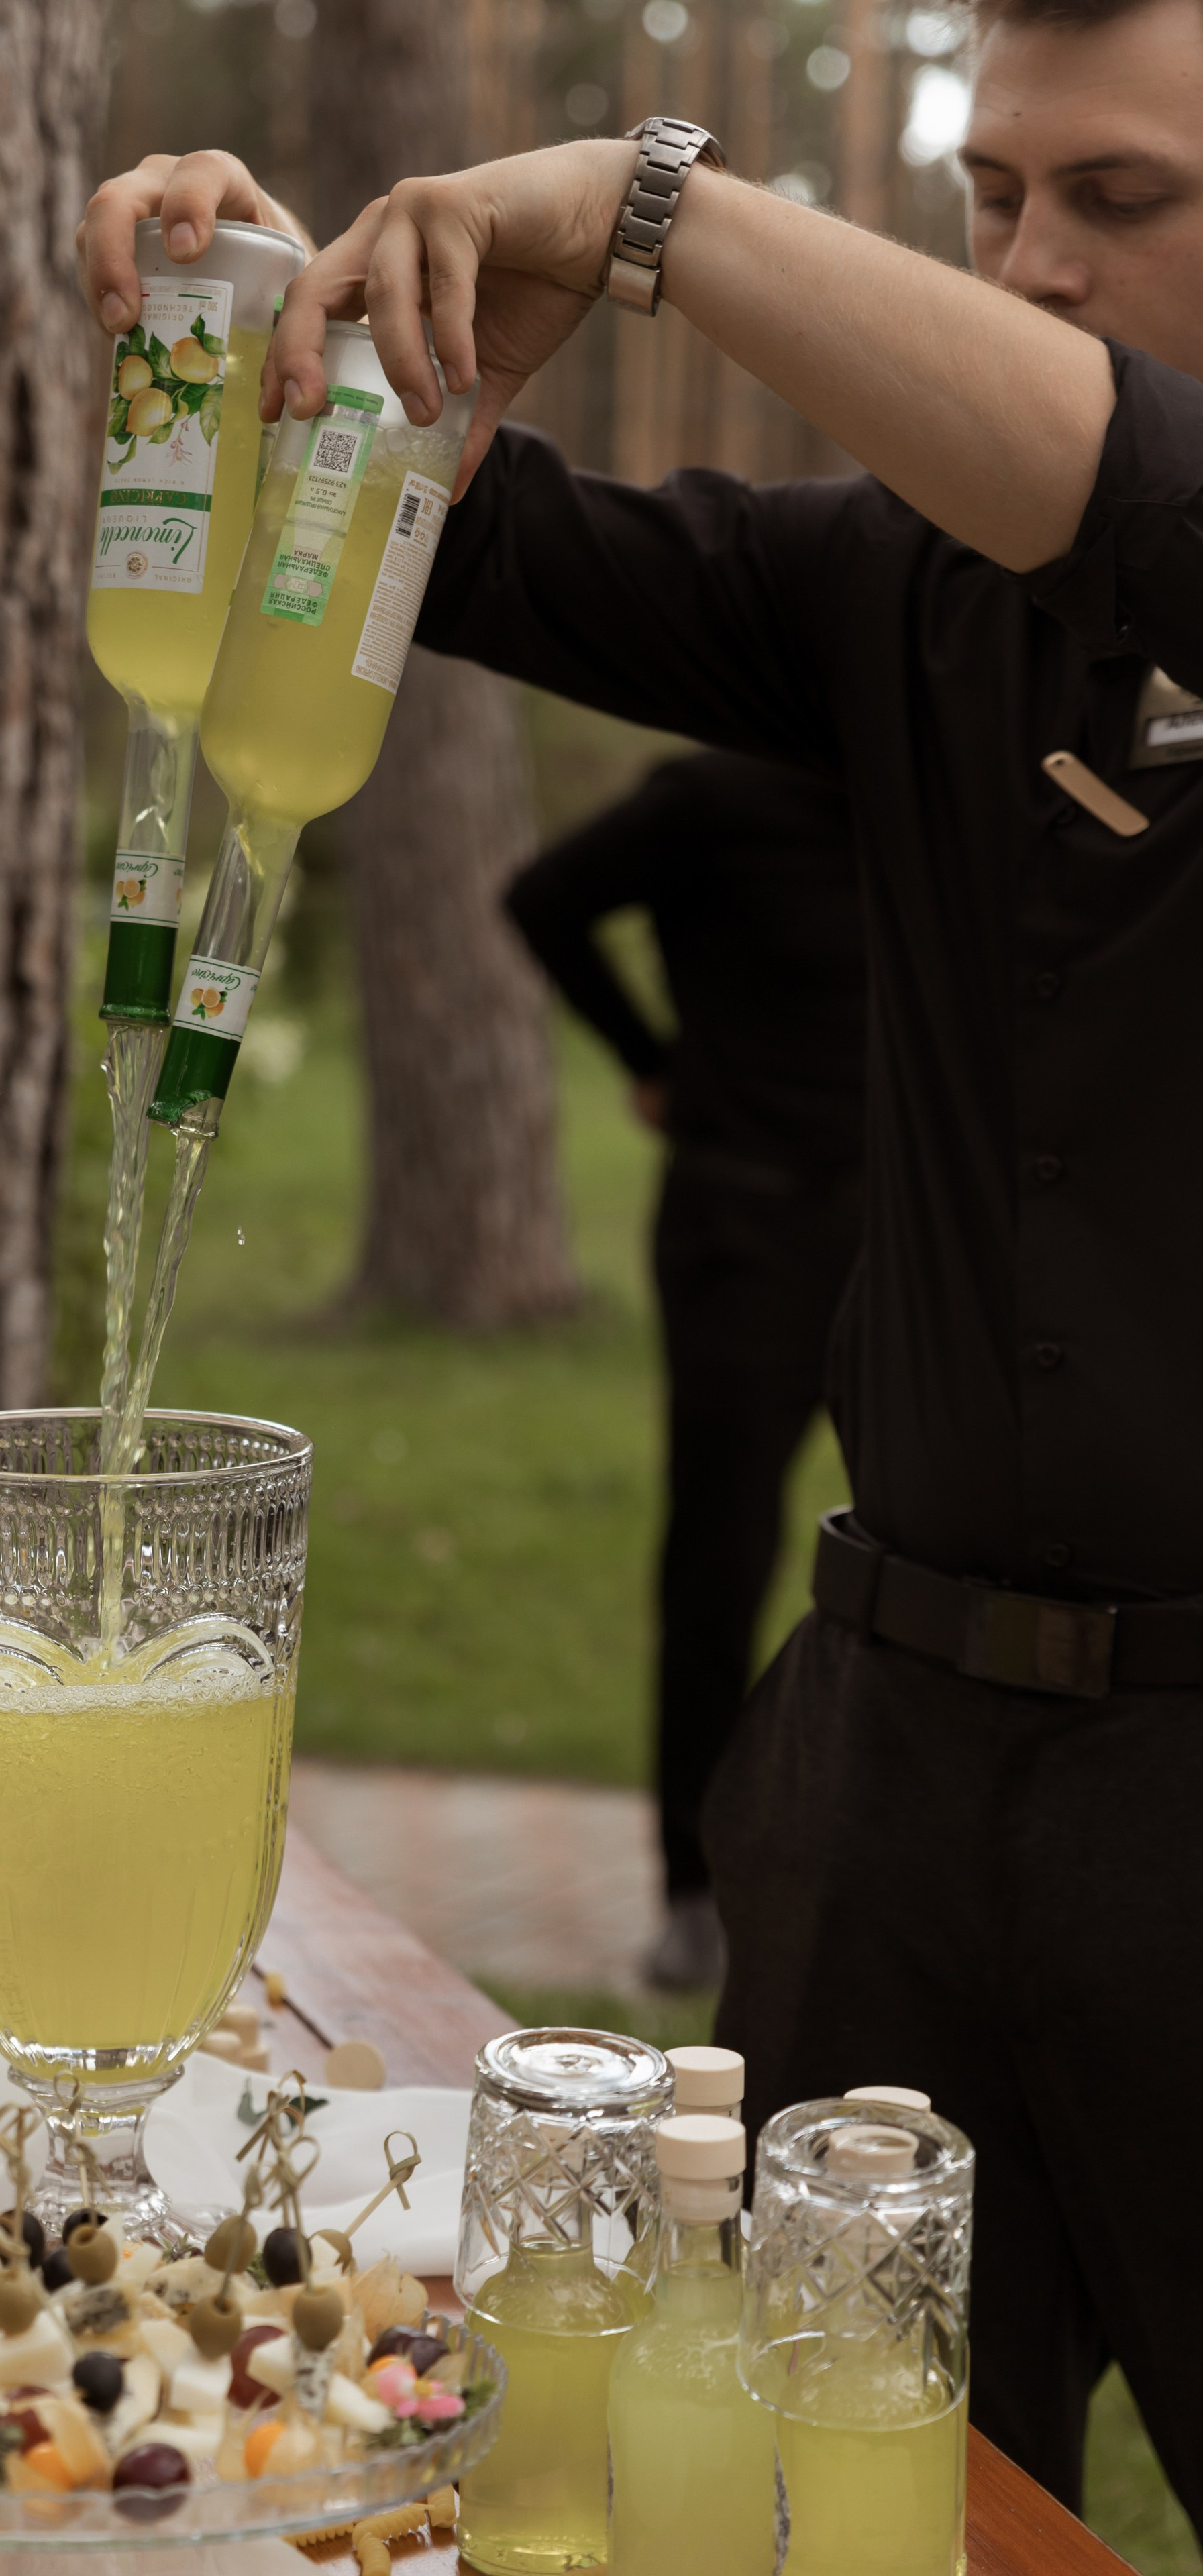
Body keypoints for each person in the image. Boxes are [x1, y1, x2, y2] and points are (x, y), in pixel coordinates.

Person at [78, 0, 1203, 2520]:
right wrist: (259, 320)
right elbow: (477, 535)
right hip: (890, 1793)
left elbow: (1150, 495)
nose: (1029, 263)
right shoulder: (902, 588)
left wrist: (652, 200)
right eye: (993, 197)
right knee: (783, 2523)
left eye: (1116, 202)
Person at [505, 755, 864, 1991]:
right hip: (743, 1230)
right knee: (721, 1559)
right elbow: (542, 895)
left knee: (934, 1558)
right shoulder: (717, 798)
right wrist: (649, 1057)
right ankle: (694, 1889)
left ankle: (893, 1878)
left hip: (909, 1241)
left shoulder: (946, 778)